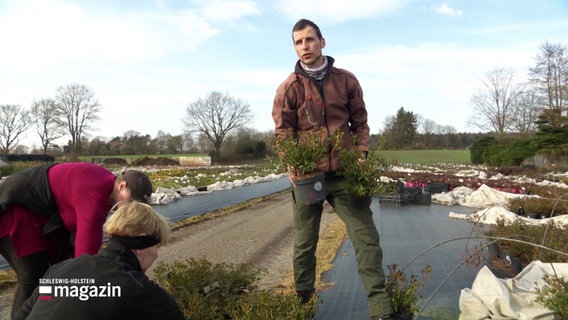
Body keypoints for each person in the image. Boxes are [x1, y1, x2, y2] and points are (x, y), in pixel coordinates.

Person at [272, 19, 393, 319]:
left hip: (344, 175)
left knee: (365, 237)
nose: (304, 47)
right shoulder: (289, 87)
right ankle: (303, 306)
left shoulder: (346, 80)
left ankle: (380, 308)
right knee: (304, 242)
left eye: (309, 40)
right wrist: (292, 164)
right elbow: (282, 132)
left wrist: (361, 154)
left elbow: (360, 123)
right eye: (298, 42)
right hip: (307, 177)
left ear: (322, 42)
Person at [0, 162, 153, 318]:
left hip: (45, 215)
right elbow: (85, 256)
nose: (132, 208)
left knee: (57, 275)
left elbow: (76, 235)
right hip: (18, 206)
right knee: (33, 274)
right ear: (122, 185)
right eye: (132, 201)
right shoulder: (95, 192)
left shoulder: (108, 193)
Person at [14, 200, 185, 320]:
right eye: (157, 246)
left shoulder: (61, 269)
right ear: (141, 243)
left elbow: (23, 315)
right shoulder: (138, 289)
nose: (156, 253)